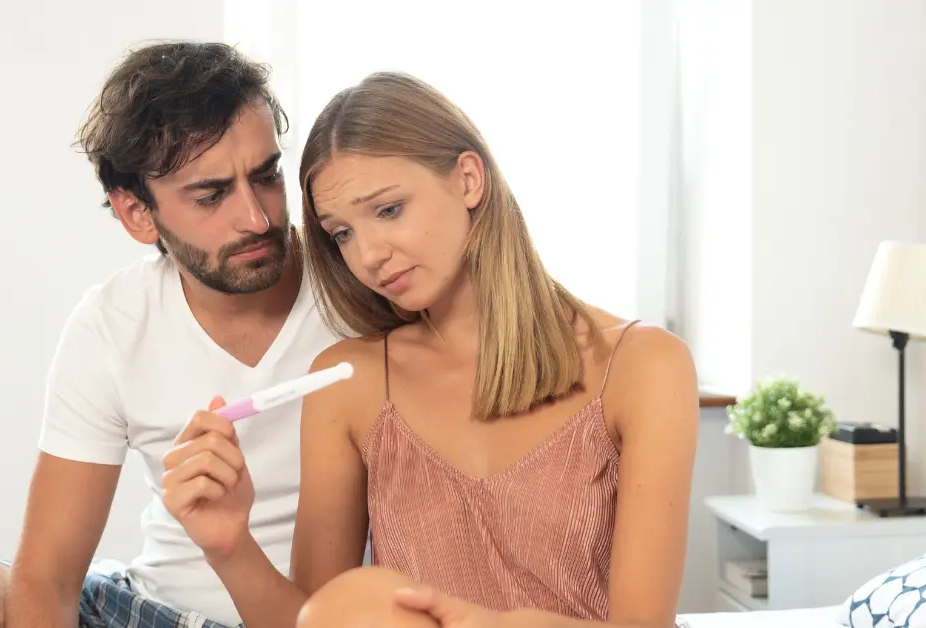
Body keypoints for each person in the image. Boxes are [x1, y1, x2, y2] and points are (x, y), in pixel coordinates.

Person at [0, 41, 341, 628]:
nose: (256, 218)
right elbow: (48, 579)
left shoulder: (360, 290)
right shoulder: (113, 325)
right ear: (137, 215)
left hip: (303, 616)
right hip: (144, 609)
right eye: (211, 194)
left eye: (266, 175)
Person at [162, 71, 701, 628]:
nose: (369, 254)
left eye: (389, 210)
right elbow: (316, 621)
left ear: (468, 179)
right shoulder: (350, 385)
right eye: (341, 233)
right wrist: (229, 546)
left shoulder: (642, 367)